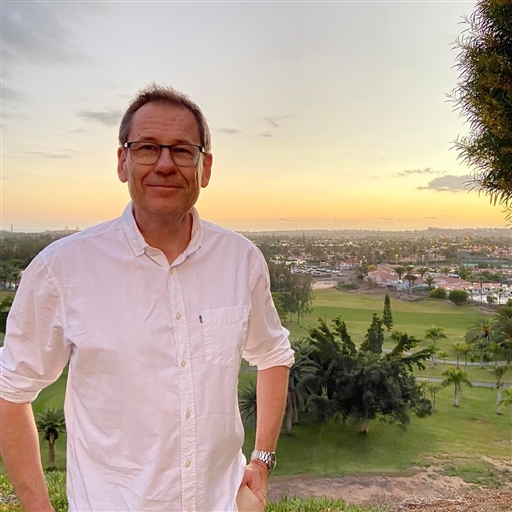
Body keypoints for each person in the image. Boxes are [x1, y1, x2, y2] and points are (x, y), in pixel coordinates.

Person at [0, 84, 294, 512]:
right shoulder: (61, 269)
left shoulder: (240, 259)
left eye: (182, 151)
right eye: (147, 148)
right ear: (123, 162)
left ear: (205, 168)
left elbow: (273, 354)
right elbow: (11, 391)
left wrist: (262, 459)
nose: (165, 164)